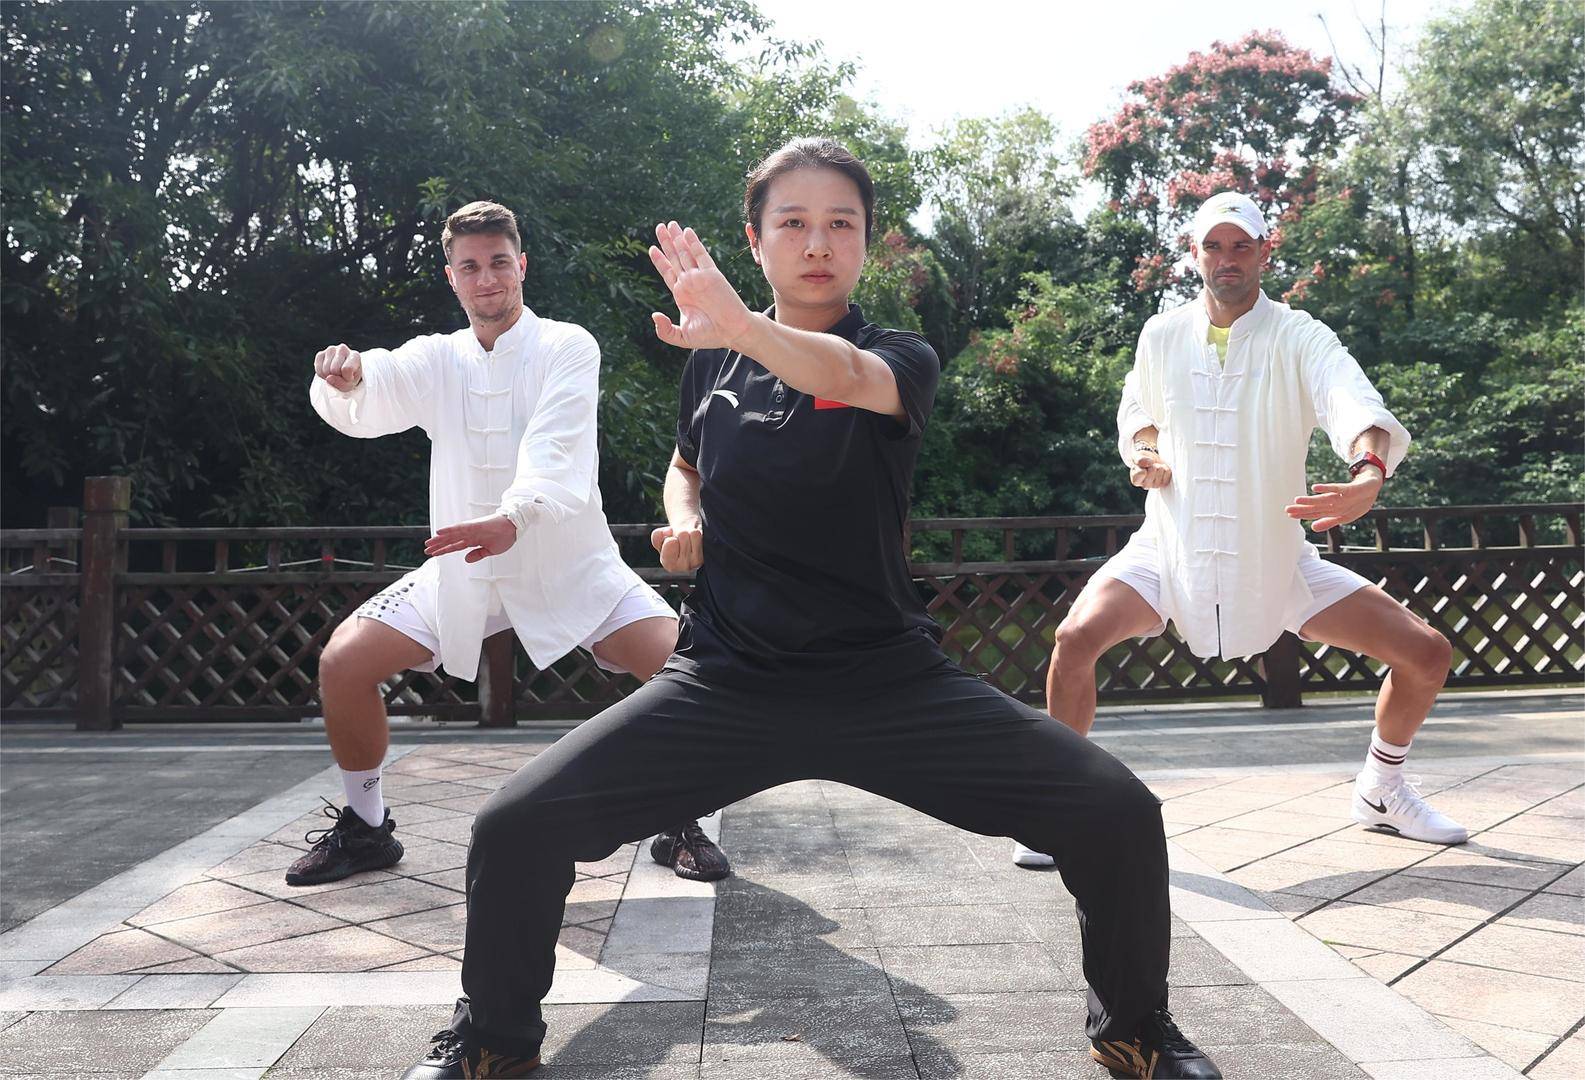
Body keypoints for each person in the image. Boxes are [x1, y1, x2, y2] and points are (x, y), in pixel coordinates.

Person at [402, 140, 1220, 1080]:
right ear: (755, 241)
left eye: (841, 224)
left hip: (887, 682)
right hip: (725, 681)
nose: (818, 242)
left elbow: (841, 377)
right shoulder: (710, 367)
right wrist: (685, 518)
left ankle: (1135, 1031)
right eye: (792, 222)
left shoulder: (894, 355)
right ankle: (494, 1043)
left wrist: (739, 326)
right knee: (513, 826)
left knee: (1115, 808)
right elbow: (686, 463)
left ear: (867, 245)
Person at [1010, 190, 1465, 871]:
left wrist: (1369, 468)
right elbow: (1138, 406)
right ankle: (1056, 808)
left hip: (1274, 557)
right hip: (1169, 548)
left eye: (1240, 245)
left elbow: (1350, 395)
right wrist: (1143, 452)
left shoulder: (1299, 334)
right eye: (1213, 245)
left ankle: (1381, 788)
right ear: (1193, 255)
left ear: (1263, 251)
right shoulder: (1160, 333)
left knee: (1426, 655)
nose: (1226, 258)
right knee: (1074, 639)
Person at [291, 200, 728, 888]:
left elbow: (556, 450)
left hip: (569, 564)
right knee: (344, 662)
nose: (486, 277)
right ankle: (366, 827)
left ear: (520, 265)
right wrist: (347, 378)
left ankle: (679, 818)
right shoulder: (436, 358)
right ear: (452, 278)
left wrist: (513, 519)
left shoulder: (566, 345)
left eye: (498, 262)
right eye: (470, 266)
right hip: (464, 571)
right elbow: (379, 382)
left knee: (687, 673)